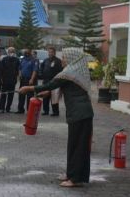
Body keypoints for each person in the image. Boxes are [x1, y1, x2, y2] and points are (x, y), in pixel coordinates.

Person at [19, 47, 94, 188]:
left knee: (78, 147)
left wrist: (29, 89)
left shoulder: (70, 72)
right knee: (74, 145)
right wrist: (47, 92)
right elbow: (57, 87)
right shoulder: (74, 72)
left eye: (65, 57)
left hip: (80, 114)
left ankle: (75, 179)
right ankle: (71, 174)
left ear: (72, 59)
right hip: (79, 113)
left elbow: (52, 84)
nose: (63, 60)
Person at [40, 46, 63, 116]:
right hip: (46, 81)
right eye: (49, 52)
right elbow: (42, 68)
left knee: (54, 97)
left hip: (54, 82)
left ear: (54, 53)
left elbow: (61, 71)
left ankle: (55, 112)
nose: (50, 53)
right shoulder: (46, 60)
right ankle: (45, 111)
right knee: (45, 97)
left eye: (51, 52)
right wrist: (42, 74)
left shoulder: (58, 61)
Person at [16, 49, 38, 114]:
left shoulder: (34, 60)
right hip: (23, 79)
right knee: (21, 94)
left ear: (30, 53)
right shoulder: (23, 59)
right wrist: (19, 75)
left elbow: (35, 70)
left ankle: (29, 110)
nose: (26, 54)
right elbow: (20, 68)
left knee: (30, 96)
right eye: (25, 53)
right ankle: (20, 109)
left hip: (29, 80)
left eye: (28, 53)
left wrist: (32, 79)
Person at [0, 47, 20, 113]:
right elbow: (1, 70)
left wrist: (17, 79)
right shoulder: (4, 59)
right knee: (3, 94)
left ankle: (8, 108)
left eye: (12, 51)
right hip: (5, 79)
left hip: (13, 80)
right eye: (10, 51)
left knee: (11, 95)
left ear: (14, 52)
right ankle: (2, 108)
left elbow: (18, 70)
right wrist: (1, 78)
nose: (11, 53)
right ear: (8, 52)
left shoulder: (17, 60)